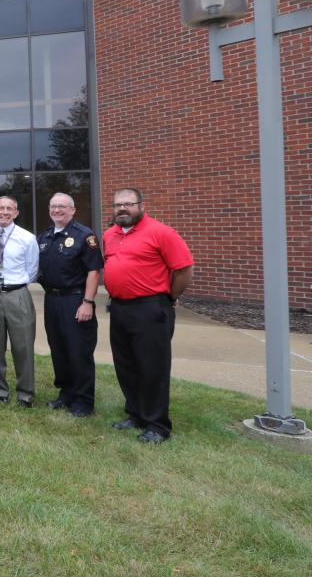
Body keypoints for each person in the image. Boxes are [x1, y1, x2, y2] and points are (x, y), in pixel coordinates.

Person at [103, 188, 194, 444]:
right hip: (120, 307)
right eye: (117, 204)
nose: (122, 209)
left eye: (128, 204)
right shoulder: (110, 235)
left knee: (152, 367)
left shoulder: (161, 232)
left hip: (151, 308)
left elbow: (184, 269)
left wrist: (170, 297)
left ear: (141, 206)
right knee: (126, 365)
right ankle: (135, 414)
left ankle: (157, 424)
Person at [36, 193, 103, 417]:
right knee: (59, 349)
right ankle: (65, 393)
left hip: (76, 300)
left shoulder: (85, 236)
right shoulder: (44, 237)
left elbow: (94, 271)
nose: (57, 210)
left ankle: (83, 401)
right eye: (53, 206)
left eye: (62, 207)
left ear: (72, 210)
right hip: (52, 300)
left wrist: (88, 302)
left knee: (78, 351)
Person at [0, 196, 40, 406]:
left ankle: (25, 393)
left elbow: (32, 270)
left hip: (18, 295)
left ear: (16, 213)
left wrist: (14, 284)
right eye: (1, 208)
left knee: (23, 346)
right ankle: (0, 391)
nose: (4, 212)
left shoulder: (27, 238)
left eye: (9, 209)